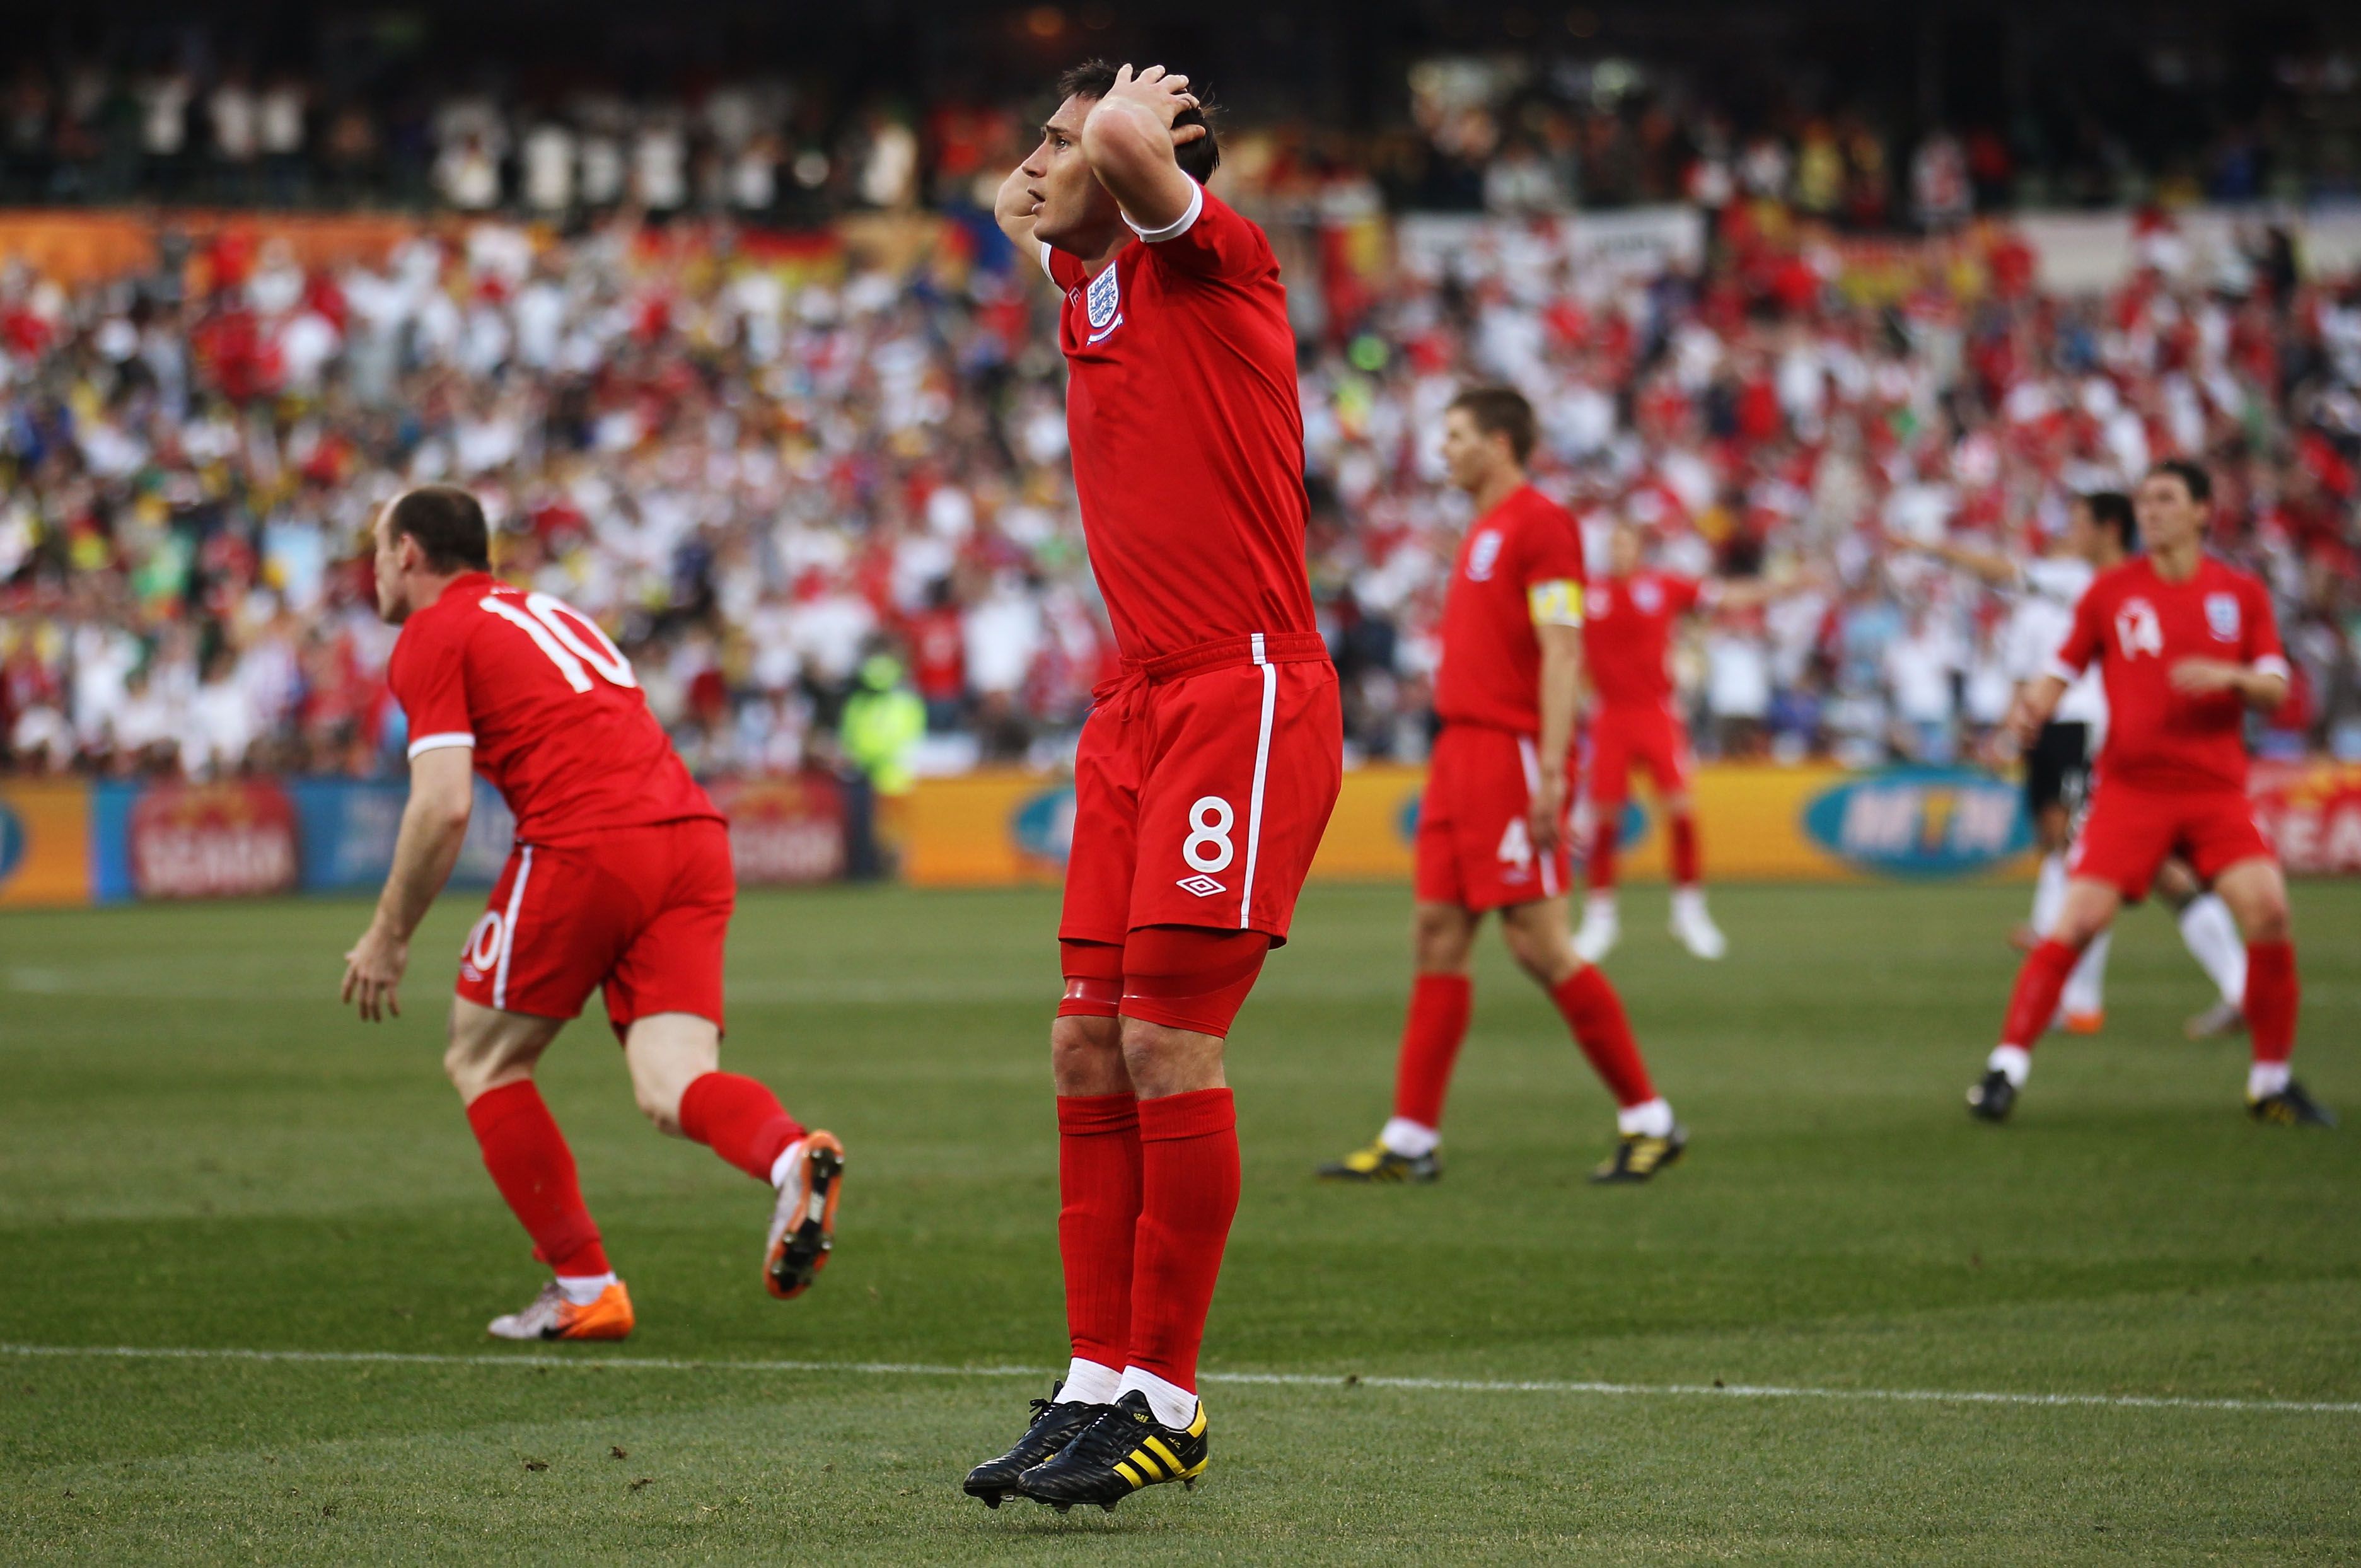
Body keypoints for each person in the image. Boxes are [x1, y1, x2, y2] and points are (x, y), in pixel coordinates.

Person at [961, 60, 1342, 1513]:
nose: (1040, 161)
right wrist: (1062, 153)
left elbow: (1113, 153)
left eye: (1064, 141)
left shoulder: (1217, 267)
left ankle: (1171, 1400)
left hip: (1240, 692)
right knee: (1084, 1051)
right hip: (1134, 704)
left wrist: (1125, 117)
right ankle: (1098, 1377)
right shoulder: (1097, 291)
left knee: (1170, 1045)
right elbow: (1019, 205)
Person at [339, 486, 845, 1341]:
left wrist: (387, 936)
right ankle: (791, 1157)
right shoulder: (546, 608)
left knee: (483, 1057)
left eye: (378, 548)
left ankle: (585, 1285)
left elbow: (441, 804)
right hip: (690, 836)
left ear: (411, 554)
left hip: (588, 840)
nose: (373, 566)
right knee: (672, 1080)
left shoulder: (432, 630)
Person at [1316, 389, 1683, 1187]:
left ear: (1500, 442)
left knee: (1539, 943)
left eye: (1455, 435)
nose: (1441, 449)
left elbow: (1561, 653)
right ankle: (1411, 1138)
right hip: (1459, 754)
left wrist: (1552, 773)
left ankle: (1649, 1118)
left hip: (1511, 754)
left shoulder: (1539, 524)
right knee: (1437, 935)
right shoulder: (1482, 530)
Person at [1966, 461, 2331, 1127]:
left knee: (2270, 912)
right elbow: (2060, 669)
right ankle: (2003, 1071)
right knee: (2076, 921)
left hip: (2215, 790)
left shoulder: (2240, 593)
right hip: (2131, 790)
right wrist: (2029, 713)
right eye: (2145, 500)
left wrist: (2229, 677)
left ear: (2200, 511)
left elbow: (2275, 685)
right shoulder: (2110, 592)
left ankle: (2269, 1083)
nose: (2152, 510)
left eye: (2165, 499)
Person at [1900, 492, 2248, 1038]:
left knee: (2085, 853)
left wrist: (1925, 546)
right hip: (2069, 727)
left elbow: (2005, 570)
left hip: (2094, 730)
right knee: (2100, 855)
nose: (2071, 531)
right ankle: (2212, 986)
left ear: (2109, 529)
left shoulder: (2104, 582)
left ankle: (2080, 984)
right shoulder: (2098, 585)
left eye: (2081, 522)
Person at [1572, 522, 1786, 963]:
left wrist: (1785, 586)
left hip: (1655, 711)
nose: (1618, 549)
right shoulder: (1586, 593)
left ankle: (1688, 912)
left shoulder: (1663, 586)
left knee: (1681, 809)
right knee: (1604, 818)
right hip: (1609, 713)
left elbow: (1726, 596)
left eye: (1624, 541)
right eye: (1612, 542)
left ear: (1639, 548)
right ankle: (1600, 918)